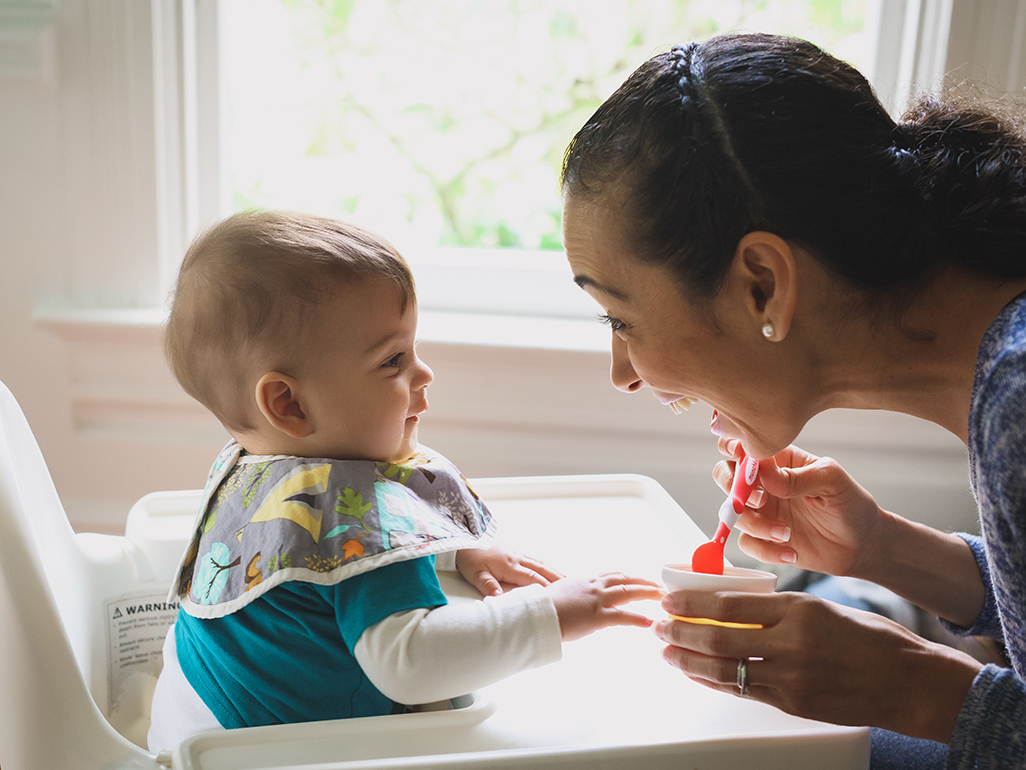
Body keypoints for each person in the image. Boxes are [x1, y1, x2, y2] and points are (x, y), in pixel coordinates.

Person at [559, 32, 1026, 770]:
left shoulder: (1017, 398)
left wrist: (915, 687)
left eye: (620, 319)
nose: (624, 372)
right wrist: (885, 550)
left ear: (762, 285)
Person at [147, 210, 662, 751]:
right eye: (393, 359)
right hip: (265, 754)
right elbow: (410, 663)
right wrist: (553, 614)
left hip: (195, 703)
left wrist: (448, 551)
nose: (424, 372)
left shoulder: (251, 466)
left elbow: (315, 571)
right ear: (288, 403)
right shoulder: (357, 515)